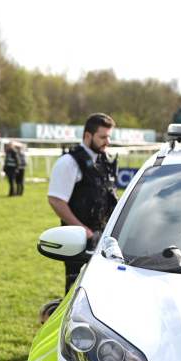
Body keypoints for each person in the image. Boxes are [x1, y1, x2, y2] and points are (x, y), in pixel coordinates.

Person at [47, 113, 119, 292]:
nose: (107, 141)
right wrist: (84, 231)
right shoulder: (68, 162)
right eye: (103, 137)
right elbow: (56, 200)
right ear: (88, 136)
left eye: (109, 136)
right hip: (78, 241)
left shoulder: (103, 161)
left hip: (103, 238)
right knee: (76, 293)